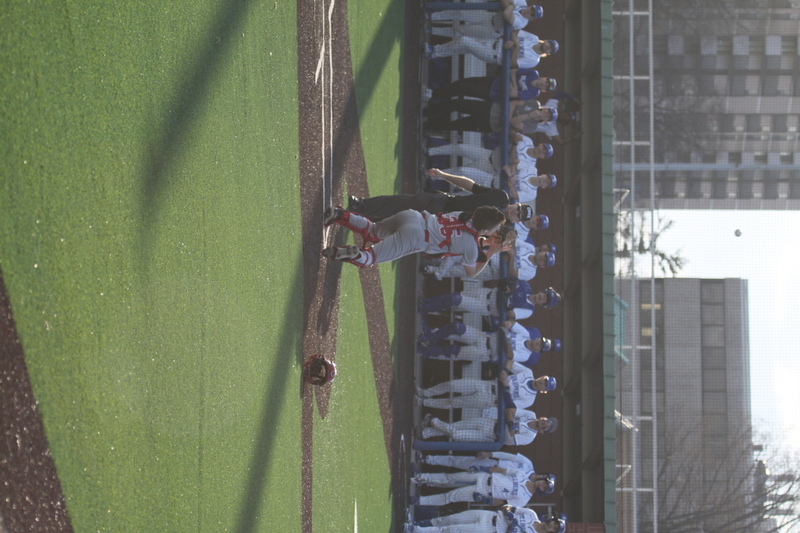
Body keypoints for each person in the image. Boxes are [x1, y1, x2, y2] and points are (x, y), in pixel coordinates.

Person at [322, 205, 505, 277]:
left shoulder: (462, 214)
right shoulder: (472, 246)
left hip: (413, 216)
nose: (497, 230)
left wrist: (487, 242)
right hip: (416, 237)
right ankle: (356, 253)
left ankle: (339, 214)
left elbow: (467, 235)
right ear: (486, 230)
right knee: (370, 258)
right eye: (496, 228)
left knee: (373, 231)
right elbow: (471, 272)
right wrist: (491, 253)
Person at [348, 169, 518, 222]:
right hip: (443, 202)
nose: (515, 212)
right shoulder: (500, 196)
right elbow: (471, 186)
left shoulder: (500, 230)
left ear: (517, 221)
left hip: (441, 224)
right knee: (402, 201)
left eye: (519, 216)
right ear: (517, 205)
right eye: (519, 210)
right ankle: (362, 206)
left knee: (397, 222)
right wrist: (444, 175)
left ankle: (358, 221)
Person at [411, 469, 546, 508]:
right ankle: (421, 477)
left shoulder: (524, 500)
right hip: (484, 477)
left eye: (545, 487)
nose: (542, 484)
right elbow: (503, 470)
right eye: (544, 482)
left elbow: (504, 504)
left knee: (450, 496)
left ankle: (419, 501)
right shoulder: (523, 475)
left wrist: (486, 501)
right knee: (450, 477)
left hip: (485, 492)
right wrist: (484, 469)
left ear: (542, 492)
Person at [418, 409, 557, 446]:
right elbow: (509, 411)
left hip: (490, 436)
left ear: (542, 432)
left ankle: (433, 420)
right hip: (490, 422)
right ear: (543, 418)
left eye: (546, 427)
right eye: (546, 422)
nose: (544, 424)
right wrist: (510, 426)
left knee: (456, 435)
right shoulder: (530, 414)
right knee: (454, 427)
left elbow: (508, 441)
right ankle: (425, 433)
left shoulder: (529, 437)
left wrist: (510, 424)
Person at [427, 31, 558, 69]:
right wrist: (513, 40)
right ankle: (433, 54)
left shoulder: (534, 60)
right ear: (546, 41)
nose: (548, 47)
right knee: (461, 48)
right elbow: (515, 31)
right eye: (549, 44)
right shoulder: (534, 37)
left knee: (464, 41)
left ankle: (434, 51)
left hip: (495, 55)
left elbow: (513, 64)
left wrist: (516, 46)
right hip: (494, 42)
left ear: (548, 53)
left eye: (550, 49)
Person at [425, 68, 556, 104]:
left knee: (464, 89)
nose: (543, 83)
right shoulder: (533, 73)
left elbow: (512, 94)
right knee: (463, 82)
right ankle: (434, 94)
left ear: (544, 90)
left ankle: (432, 95)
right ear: (544, 78)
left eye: (546, 86)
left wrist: (512, 84)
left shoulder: (534, 93)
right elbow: (512, 71)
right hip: (493, 80)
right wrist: (514, 85)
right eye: (546, 81)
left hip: (492, 93)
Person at [426, 98, 556, 134]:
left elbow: (514, 122)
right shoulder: (534, 103)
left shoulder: (532, 127)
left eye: (547, 116)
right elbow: (514, 102)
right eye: (547, 111)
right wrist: (509, 116)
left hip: (490, 124)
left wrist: (528, 115)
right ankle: (427, 112)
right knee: (458, 104)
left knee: (456, 125)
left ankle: (427, 125)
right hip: (491, 108)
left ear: (545, 121)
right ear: (545, 108)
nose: (545, 114)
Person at [403, 505, 542, 533]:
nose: (551, 526)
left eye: (554, 529)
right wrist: (509, 515)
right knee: (449, 519)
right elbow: (507, 507)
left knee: (451, 530)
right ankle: (415, 524)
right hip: (490, 516)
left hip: (490, 530)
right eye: (554, 523)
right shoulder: (531, 514)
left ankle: (415, 530)